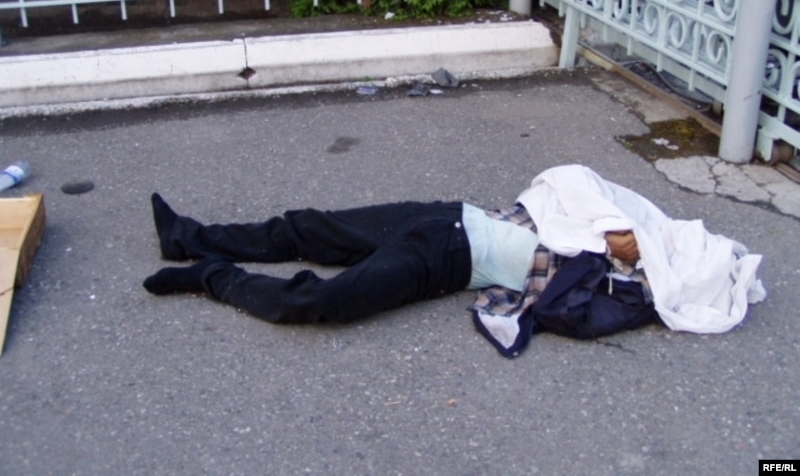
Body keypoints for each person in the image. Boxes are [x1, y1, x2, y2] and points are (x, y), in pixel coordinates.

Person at [143, 165, 764, 339]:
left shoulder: (615, 291)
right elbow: (569, 179)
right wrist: (610, 230)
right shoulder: (612, 227)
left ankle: (210, 276)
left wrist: (621, 264)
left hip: (444, 261)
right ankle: (187, 237)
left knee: (326, 302)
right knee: (307, 228)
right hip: (448, 214)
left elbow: (561, 312)